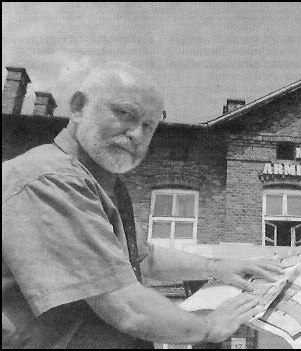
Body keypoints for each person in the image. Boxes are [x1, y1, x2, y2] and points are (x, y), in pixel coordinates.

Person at [2, 62, 284, 348]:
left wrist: (217, 267)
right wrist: (209, 326)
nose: (136, 134)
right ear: (78, 107)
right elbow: (127, 309)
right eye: (124, 113)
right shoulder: (51, 179)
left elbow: (143, 259)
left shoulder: (101, 183)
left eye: (148, 126)